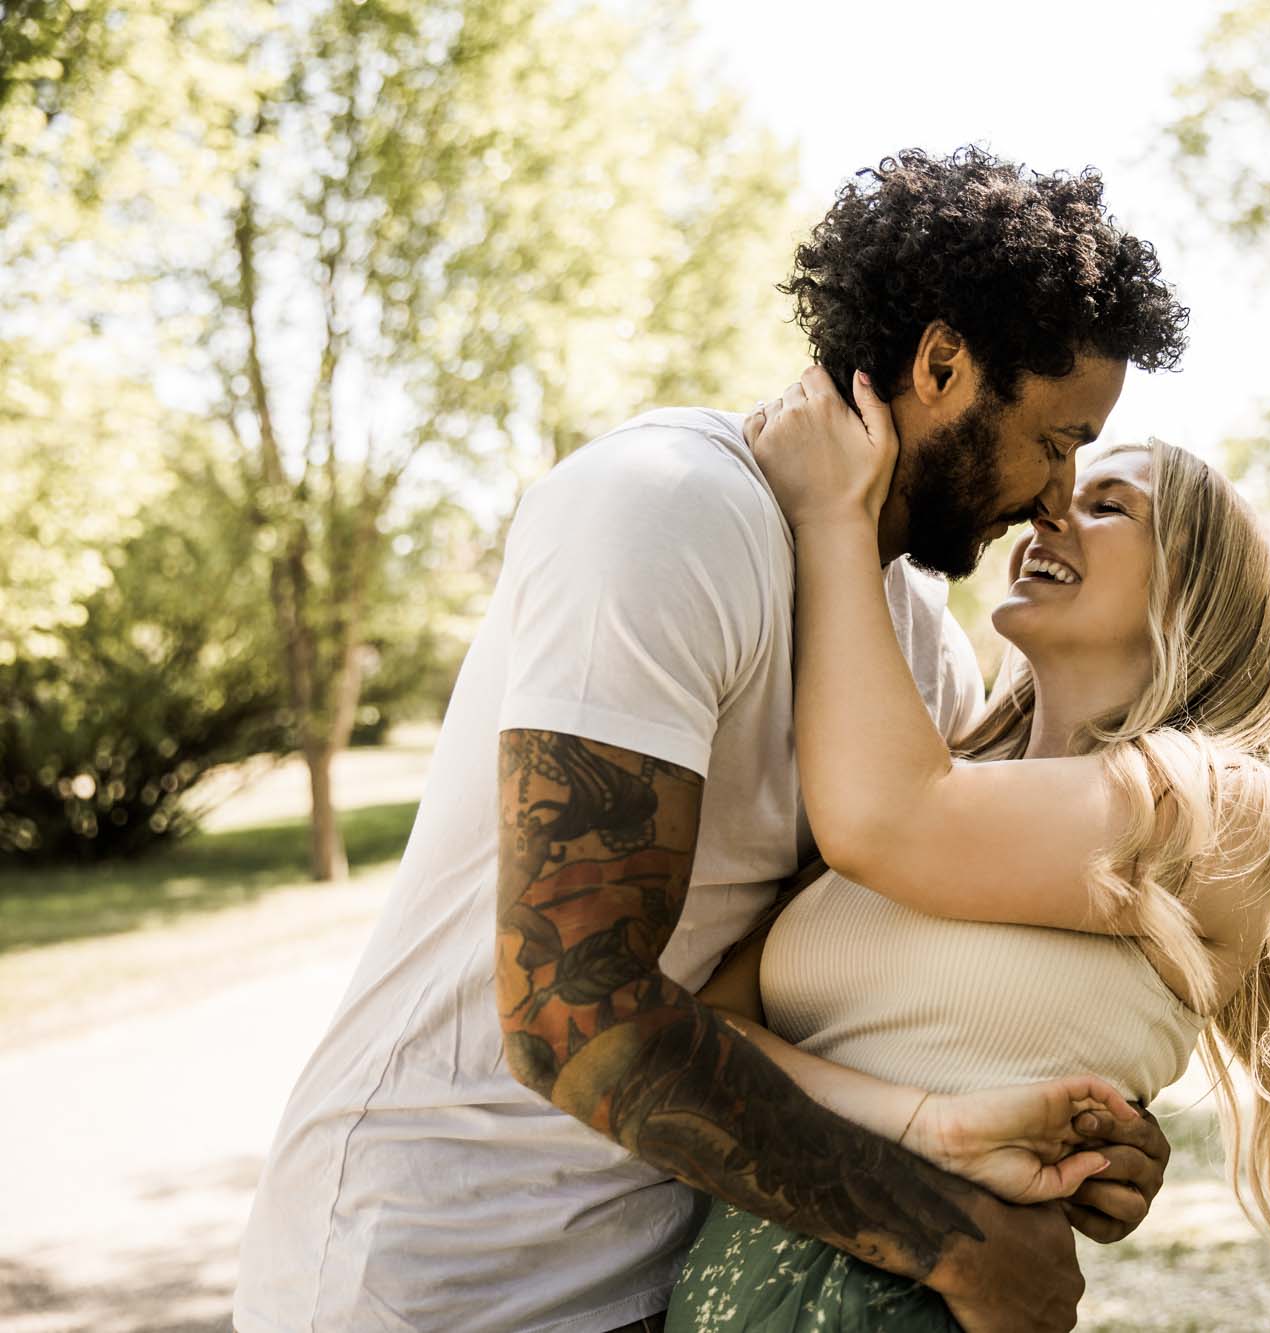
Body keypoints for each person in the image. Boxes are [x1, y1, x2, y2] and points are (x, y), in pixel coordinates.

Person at [233, 146, 1191, 1333]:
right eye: (1056, 441)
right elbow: (571, 1013)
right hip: (439, 1272)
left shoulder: (906, 635)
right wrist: (951, 1243)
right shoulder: (663, 508)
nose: (1056, 496)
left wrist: (1069, 1134)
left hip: (690, 1271)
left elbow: (883, 977)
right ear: (942, 364)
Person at [654, 371, 1270, 1330]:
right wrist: (932, 1126)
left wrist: (833, 513)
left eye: (1107, 504)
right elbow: (700, 1036)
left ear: (1195, 589)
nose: (1049, 513)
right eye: (1061, 487)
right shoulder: (952, 776)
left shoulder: (1223, 808)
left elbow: (886, 819)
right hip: (737, 1293)